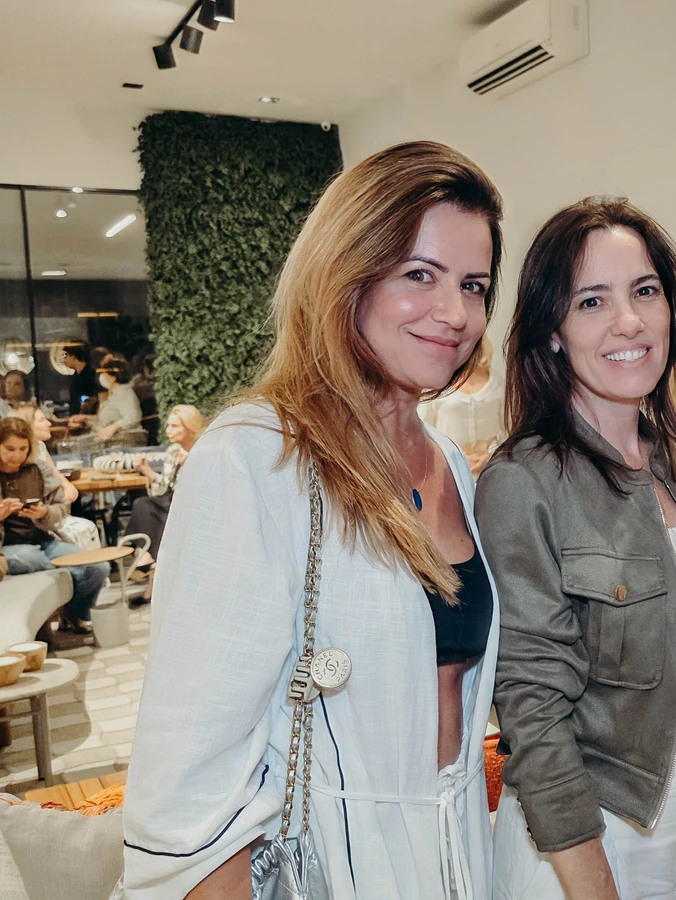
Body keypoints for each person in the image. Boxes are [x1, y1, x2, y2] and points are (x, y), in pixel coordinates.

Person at [122, 140, 504, 900]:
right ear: (347, 275)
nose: (455, 312)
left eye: (474, 284)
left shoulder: (450, 464)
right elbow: (188, 794)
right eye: (418, 275)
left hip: (461, 846)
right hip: (334, 862)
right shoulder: (258, 460)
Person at [477, 198, 676, 900]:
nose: (629, 322)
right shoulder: (522, 481)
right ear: (554, 331)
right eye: (592, 301)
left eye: (645, 292)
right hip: (591, 830)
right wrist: (591, 883)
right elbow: (533, 709)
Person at [0, 417, 108, 633]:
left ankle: (77, 612)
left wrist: (44, 512)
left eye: (23, 449)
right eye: (10, 449)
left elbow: (62, 508)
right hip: (8, 547)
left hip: (43, 538)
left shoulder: (38, 469)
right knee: (34, 560)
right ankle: (67, 605)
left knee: (98, 567)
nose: (17, 455)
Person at [95, 404, 204, 583]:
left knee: (147, 507)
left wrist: (190, 465)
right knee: (142, 504)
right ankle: (147, 557)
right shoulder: (173, 452)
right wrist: (148, 472)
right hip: (171, 499)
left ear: (190, 427)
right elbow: (168, 484)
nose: (168, 430)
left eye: (175, 426)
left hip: (191, 504)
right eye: (168, 425)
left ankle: (148, 562)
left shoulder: (203, 451)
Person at [419, 336, 504, 475]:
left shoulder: (497, 383)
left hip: (491, 467)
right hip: (447, 467)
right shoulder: (437, 383)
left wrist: (491, 456)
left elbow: (509, 428)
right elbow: (425, 429)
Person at [10, 405, 78, 504]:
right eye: (42, 420)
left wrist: (68, 488)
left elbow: (55, 474)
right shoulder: (16, 454)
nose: (49, 423)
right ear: (26, 425)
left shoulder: (40, 446)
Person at [70, 358, 141, 443]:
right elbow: (108, 418)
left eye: (104, 374)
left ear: (113, 377)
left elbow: (133, 417)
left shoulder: (124, 393)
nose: (101, 377)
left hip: (117, 443)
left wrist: (114, 427)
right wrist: (86, 419)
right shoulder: (113, 395)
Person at [62, 341, 98, 415]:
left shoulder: (92, 375)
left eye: (66, 355)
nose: (64, 359)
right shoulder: (75, 376)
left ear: (73, 357)